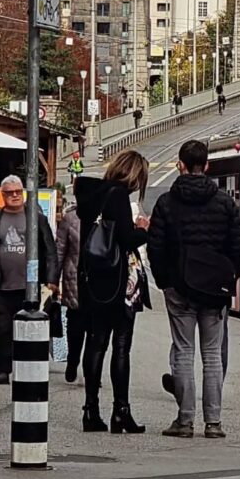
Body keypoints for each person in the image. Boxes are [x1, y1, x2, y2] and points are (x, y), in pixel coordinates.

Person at [148, 139, 240, 440]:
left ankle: (185, 420)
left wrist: (165, 281)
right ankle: (213, 422)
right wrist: (230, 280)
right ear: (207, 166)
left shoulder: (166, 202)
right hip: (215, 289)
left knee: (184, 350)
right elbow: (237, 245)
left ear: (180, 164)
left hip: (179, 287)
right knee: (213, 353)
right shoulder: (225, 202)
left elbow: (156, 246)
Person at [75, 150, 150, 434]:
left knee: (95, 344)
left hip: (93, 281)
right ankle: (121, 411)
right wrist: (143, 229)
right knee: (121, 346)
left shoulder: (91, 196)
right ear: (133, 174)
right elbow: (125, 238)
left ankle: (90, 410)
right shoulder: (118, 196)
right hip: (118, 283)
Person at [0, 176, 59, 384]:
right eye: (9, 193)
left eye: (18, 191)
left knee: (30, 329)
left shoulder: (36, 218)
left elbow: (50, 250)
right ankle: (2, 368)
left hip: (30, 287)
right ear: (3, 195)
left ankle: (28, 367)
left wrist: (52, 278)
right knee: (1, 329)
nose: (15, 196)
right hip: (1, 286)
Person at [55, 200, 85, 383]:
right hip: (74, 279)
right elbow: (60, 250)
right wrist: (53, 280)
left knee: (95, 331)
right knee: (75, 326)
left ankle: (92, 370)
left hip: (98, 281)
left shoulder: (104, 217)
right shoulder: (70, 218)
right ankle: (73, 361)